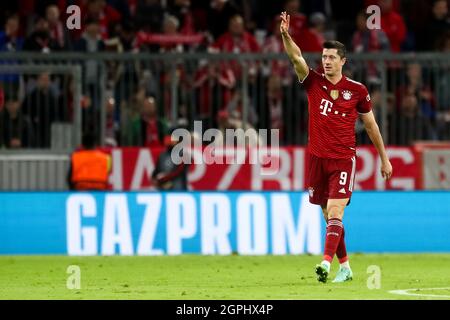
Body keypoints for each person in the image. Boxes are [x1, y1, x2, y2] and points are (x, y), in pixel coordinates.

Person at [280, 11, 393, 283]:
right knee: (330, 217)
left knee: (335, 211)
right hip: (318, 159)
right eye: (324, 57)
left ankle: (324, 263)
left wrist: (384, 159)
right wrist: (285, 35)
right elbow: (296, 57)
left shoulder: (357, 90)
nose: (326, 61)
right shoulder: (313, 82)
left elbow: (371, 126)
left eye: (331, 57)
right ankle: (346, 267)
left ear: (343, 61)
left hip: (343, 160)